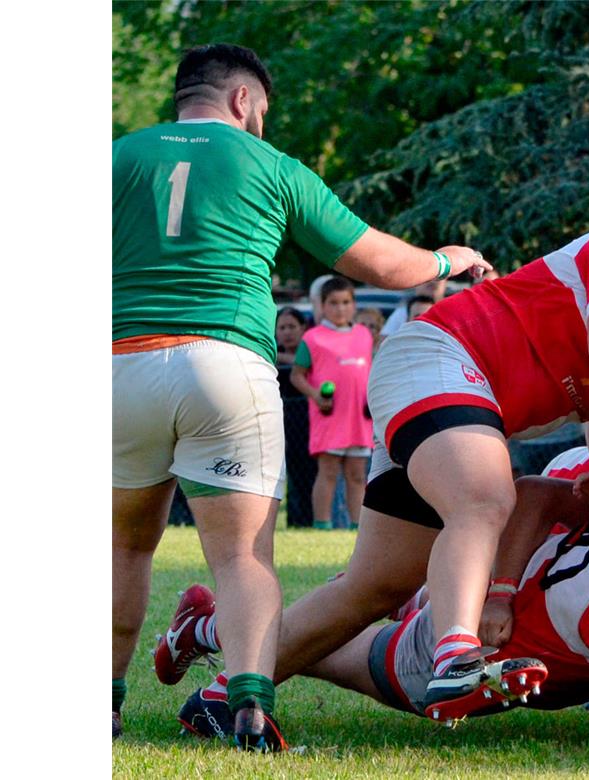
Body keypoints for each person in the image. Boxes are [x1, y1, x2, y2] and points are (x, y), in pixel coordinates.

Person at [152, 208, 589, 727]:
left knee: (371, 590)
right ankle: (458, 655)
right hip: (442, 357)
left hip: (454, 403)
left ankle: (213, 661)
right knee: (485, 497)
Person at [114, 43, 490, 749]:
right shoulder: (273, 166)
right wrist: (448, 260)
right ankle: (249, 707)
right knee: (242, 556)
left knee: (125, 548)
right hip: (226, 362)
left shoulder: (116, 156)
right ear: (243, 102)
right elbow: (376, 259)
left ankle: (103, 704)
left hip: (122, 363)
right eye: (264, 113)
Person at [172, 469, 589, 748]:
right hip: (446, 661)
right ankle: (198, 631)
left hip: (486, 608)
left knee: (345, 608)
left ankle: (201, 629)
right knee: (319, 642)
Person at [290, 276, 374, 531]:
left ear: (354, 304)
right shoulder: (313, 338)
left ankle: (357, 526)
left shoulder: (364, 335)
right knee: (328, 472)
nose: (340, 308)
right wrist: (316, 395)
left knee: (358, 475)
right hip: (329, 415)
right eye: (334, 303)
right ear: (323, 305)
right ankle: (322, 524)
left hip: (359, 417)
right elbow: (297, 375)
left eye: (346, 302)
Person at [274, 307, 315, 528]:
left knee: (309, 474)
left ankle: (311, 520)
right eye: (282, 327)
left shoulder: (310, 351)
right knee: (289, 477)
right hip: (282, 423)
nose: (287, 332)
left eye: (292, 327)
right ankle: (294, 521)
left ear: (303, 329)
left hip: (309, 421)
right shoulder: (270, 356)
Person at [381, 279, 446, 337]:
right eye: (417, 317)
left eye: (437, 278)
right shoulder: (402, 312)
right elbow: (385, 341)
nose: (432, 281)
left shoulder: (450, 312)